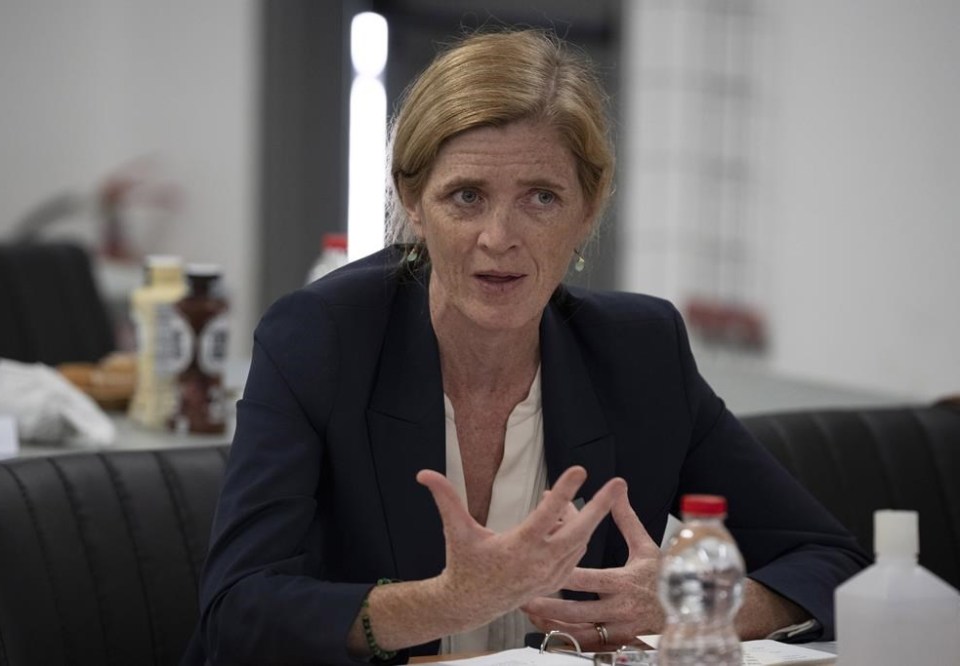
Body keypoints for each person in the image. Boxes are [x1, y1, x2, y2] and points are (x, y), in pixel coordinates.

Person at [189, 29, 869, 665]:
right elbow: (236, 613)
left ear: (589, 208)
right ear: (413, 201)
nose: (499, 236)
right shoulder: (320, 339)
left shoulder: (638, 353)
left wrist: (689, 602)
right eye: (466, 196)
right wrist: (445, 603)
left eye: (541, 197)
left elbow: (829, 562)